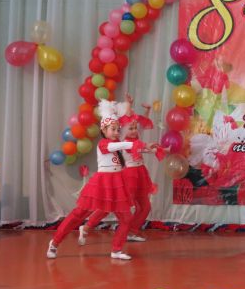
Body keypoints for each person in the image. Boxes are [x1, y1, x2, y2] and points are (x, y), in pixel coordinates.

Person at [46, 100, 144, 260]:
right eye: (112, 129)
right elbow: (117, 146)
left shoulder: (118, 143)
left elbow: (126, 130)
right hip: (102, 183)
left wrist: (128, 108)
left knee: (126, 218)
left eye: (117, 129)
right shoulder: (104, 144)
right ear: (103, 130)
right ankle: (55, 242)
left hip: (117, 183)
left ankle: (116, 250)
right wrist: (131, 144)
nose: (116, 132)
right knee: (78, 214)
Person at [79, 95, 161, 244]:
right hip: (129, 176)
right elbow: (128, 122)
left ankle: (132, 231)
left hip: (140, 174)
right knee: (110, 206)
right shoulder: (122, 140)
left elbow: (140, 125)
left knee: (145, 207)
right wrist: (128, 104)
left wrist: (158, 149)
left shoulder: (135, 139)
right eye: (131, 128)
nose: (134, 130)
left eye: (135, 128)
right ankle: (87, 227)